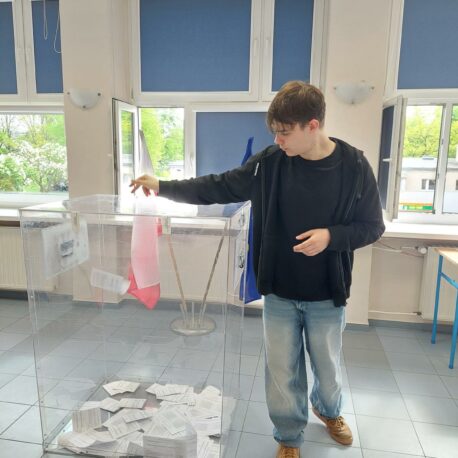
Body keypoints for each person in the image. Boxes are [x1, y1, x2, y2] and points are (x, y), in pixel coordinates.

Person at [130, 81, 385, 458]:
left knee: (328, 368)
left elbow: (373, 227)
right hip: (279, 290)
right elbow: (218, 186)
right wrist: (162, 185)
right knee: (282, 371)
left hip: (327, 293)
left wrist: (331, 236)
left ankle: (328, 411)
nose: (278, 140)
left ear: (312, 125)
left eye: (285, 132)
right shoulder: (269, 163)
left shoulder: (354, 166)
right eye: (275, 132)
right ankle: (289, 435)